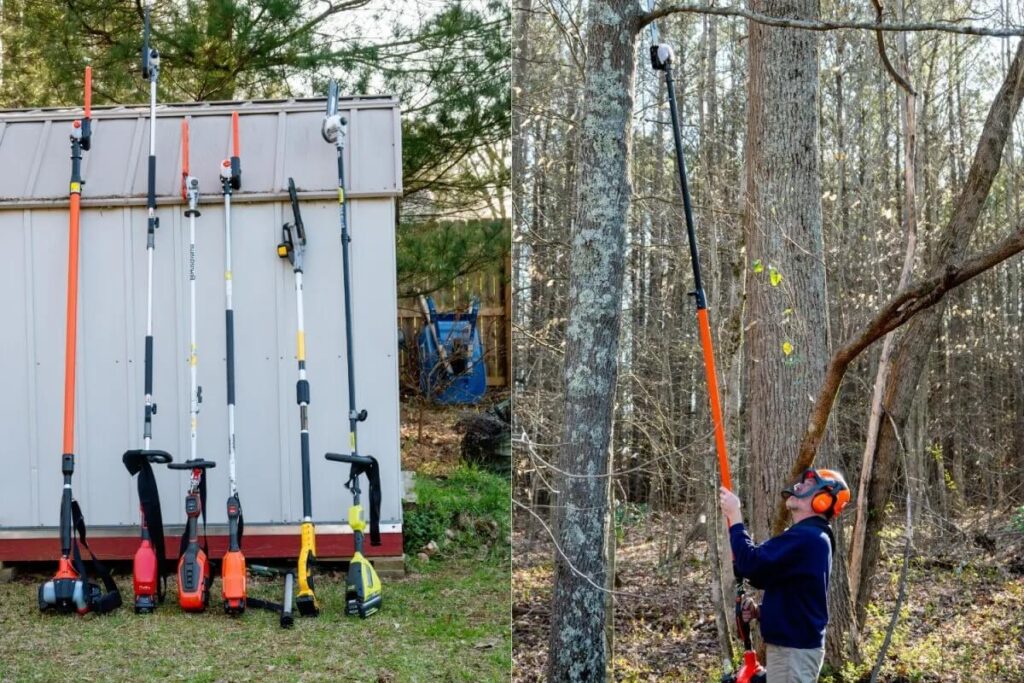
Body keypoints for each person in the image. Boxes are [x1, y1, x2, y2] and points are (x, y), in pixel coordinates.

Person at [718, 468, 851, 683]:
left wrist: (734, 515)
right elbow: (785, 586)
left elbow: (750, 564)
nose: (798, 486)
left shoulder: (808, 537)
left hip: (793, 655)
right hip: (791, 653)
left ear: (823, 501)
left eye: (808, 485)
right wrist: (760, 612)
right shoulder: (809, 537)